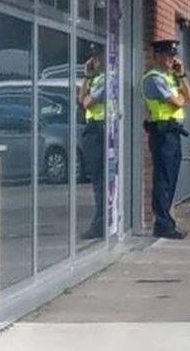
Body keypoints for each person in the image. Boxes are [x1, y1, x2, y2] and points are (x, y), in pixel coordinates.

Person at [141, 39, 190, 240]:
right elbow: (177, 101)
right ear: (156, 56)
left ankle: (166, 222)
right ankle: (162, 224)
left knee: (170, 179)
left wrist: (182, 75)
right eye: (166, 56)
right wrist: (179, 97)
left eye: (172, 56)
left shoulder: (171, 77)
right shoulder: (153, 79)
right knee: (163, 180)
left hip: (172, 133)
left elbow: (188, 98)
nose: (171, 60)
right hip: (162, 133)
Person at [78, 44, 106, 240]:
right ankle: (101, 222)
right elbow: (81, 99)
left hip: (100, 129)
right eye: (93, 57)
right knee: (97, 180)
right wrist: (87, 76)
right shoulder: (95, 78)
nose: (95, 61)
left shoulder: (106, 78)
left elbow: (87, 102)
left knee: (100, 181)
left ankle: (100, 224)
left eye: (98, 57)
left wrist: (89, 79)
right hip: (94, 129)